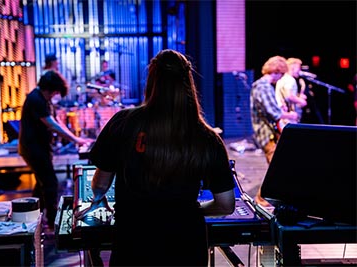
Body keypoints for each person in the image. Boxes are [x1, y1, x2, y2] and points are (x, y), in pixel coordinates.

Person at [85, 49, 236, 266]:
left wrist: (98, 196)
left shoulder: (122, 122)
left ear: (151, 81)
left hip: (133, 242)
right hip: (186, 245)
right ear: (188, 83)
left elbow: (100, 184)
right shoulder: (207, 138)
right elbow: (226, 204)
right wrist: (191, 210)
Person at [18, 70, 92, 230]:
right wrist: (75, 139)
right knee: (50, 182)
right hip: (33, 148)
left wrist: (75, 138)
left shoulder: (44, 100)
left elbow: (56, 120)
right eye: (56, 92)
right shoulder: (36, 99)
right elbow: (51, 124)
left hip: (40, 147)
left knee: (42, 184)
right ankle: (52, 223)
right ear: (50, 89)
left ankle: (34, 219)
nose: (56, 95)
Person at [250, 55, 298, 206]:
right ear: (277, 71)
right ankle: (262, 200)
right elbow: (274, 113)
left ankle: (263, 200)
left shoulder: (263, 86)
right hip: (266, 133)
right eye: (281, 74)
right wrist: (290, 114)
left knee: (276, 168)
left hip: (269, 132)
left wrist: (281, 108)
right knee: (277, 169)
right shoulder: (263, 86)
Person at [275, 57, 307, 130]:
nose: (299, 71)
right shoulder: (290, 80)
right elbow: (288, 96)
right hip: (289, 117)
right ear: (293, 67)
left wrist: (298, 96)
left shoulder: (282, 79)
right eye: (298, 68)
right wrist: (301, 101)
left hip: (282, 116)